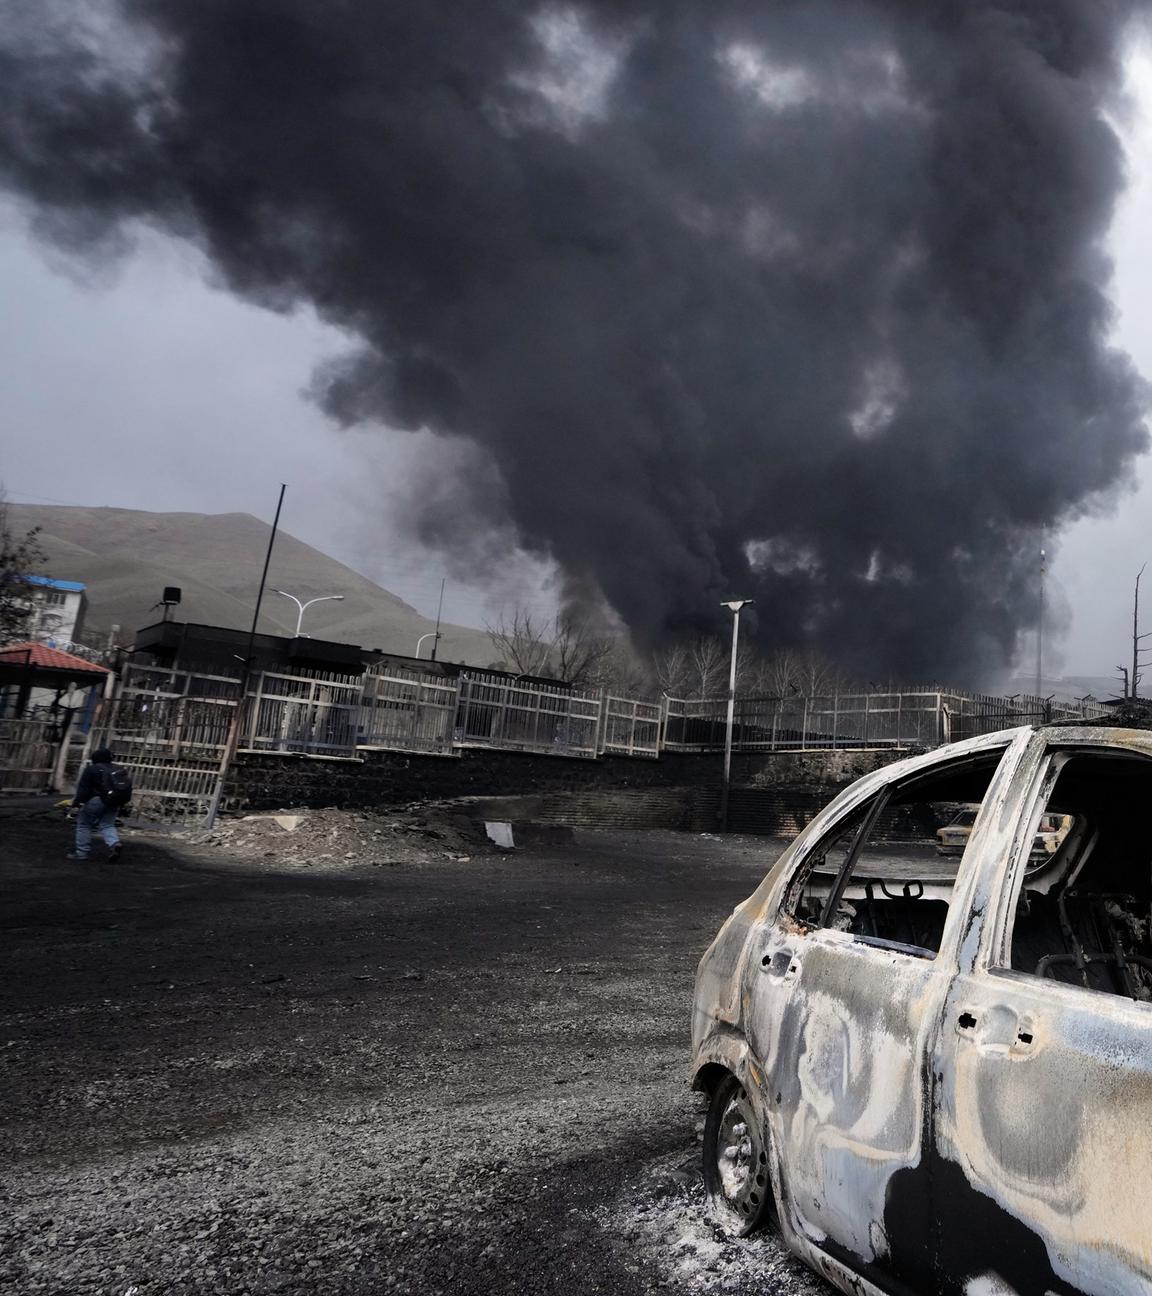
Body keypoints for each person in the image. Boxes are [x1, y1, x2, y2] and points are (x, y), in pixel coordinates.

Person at [67, 747, 125, 862]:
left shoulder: (91, 769)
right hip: (114, 801)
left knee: (84, 825)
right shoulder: (117, 770)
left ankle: (81, 852)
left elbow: (84, 789)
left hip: (95, 800)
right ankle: (114, 843)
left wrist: (76, 804)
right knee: (108, 824)